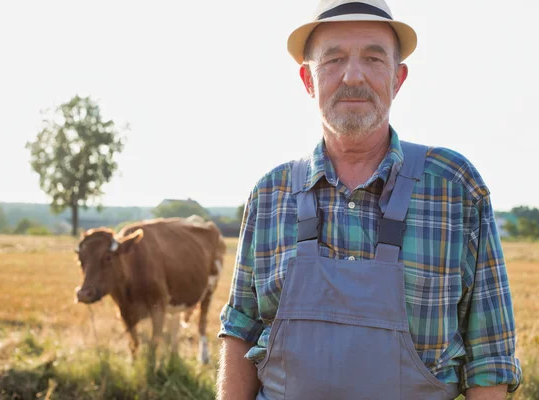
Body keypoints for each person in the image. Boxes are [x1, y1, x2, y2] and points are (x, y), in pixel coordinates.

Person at [216, 0, 522, 399]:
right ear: (309, 80)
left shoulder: (454, 187)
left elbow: (489, 358)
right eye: (334, 59)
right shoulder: (270, 194)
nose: (353, 76)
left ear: (398, 78)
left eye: (374, 59)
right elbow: (241, 331)